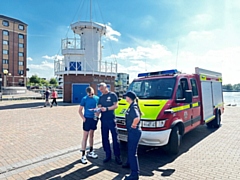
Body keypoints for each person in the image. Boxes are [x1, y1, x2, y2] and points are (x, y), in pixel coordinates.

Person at [98, 82, 122, 165]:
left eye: (102, 89)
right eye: (100, 90)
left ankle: (117, 156)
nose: (101, 91)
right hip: (103, 120)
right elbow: (99, 106)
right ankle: (108, 155)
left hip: (111, 119)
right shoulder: (101, 97)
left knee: (115, 138)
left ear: (106, 87)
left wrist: (107, 109)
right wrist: (98, 110)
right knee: (105, 138)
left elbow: (116, 106)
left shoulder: (112, 95)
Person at [123, 91, 142, 180]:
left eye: (126, 97)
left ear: (129, 98)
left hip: (134, 132)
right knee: (130, 150)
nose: (125, 98)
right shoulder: (132, 105)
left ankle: (134, 174)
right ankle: (128, 163)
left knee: (132, 152)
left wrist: (133, 126)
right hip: (133, 132)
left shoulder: (133, 106)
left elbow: (137, 117)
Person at [78, 87, 99, 164]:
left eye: (92, 94)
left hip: (94, 119)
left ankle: (91, 151)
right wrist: (83, 118)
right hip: (87, 119)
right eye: (90, 94)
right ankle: (83, 155)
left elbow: (99, 108)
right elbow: (80, 110)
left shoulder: (97, 98)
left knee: (92, 135)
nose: (91, 95)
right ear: (87, 93)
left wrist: (97, 113)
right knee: (85, 137)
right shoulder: (84, 99)